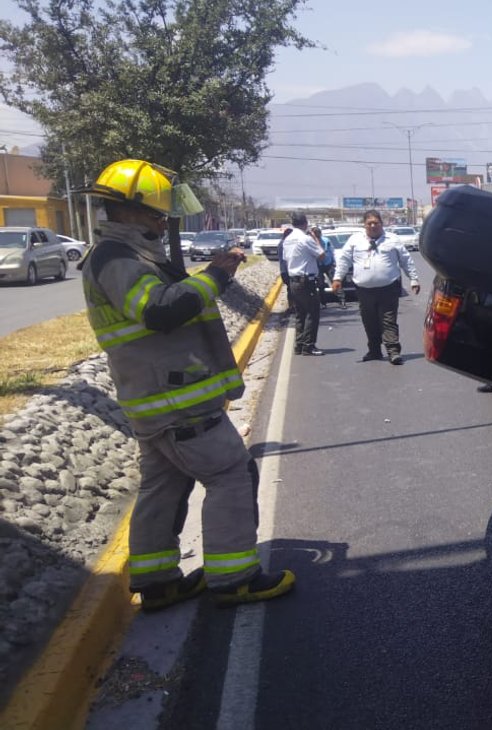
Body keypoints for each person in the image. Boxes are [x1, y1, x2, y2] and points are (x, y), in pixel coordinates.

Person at [80, 159, 294, 610]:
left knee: (164, 486)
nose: (164, 220)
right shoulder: (117, 258)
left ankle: (158, 581)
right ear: (129, 209)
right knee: (231, 474)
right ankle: (234, 577)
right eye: (158, 212)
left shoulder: (130, 253)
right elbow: (158, 311)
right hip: (176, 402)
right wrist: (216, 275)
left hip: (157, 400)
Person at [332, 210, 420, 364]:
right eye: (369, 223)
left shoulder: (392, 239)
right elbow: (344, 260)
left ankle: (393, 352)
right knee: (369, 321)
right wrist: (337, 278)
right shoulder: (355, 240)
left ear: (381, 224)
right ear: (364, 225)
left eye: (376, 223)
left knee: (388, 320)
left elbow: (406, 260)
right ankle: (374, 351)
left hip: (388, 288)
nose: (373, 226)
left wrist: (413, 279)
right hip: (364, 290)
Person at [282, 212, 325, 355]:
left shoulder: (287, 239)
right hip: (306, 280)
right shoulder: (305, 239)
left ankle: (299, 345)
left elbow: (286, 259)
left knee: (300, 313)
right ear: (305, 223)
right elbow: (321, 255)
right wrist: (315, 238)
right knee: (313, 312)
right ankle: (309, 346)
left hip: (293, 279)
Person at [312, 226, 340, 307]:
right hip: (318, 266)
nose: (317, 236)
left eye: (318, 234)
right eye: (316, 234)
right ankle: (323, 303)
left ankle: (341, 301)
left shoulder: (326, 240)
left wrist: (334, 262)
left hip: (328, 263)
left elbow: (331, 251)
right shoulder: (311, 242)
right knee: (320, 285)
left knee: (335, 281)